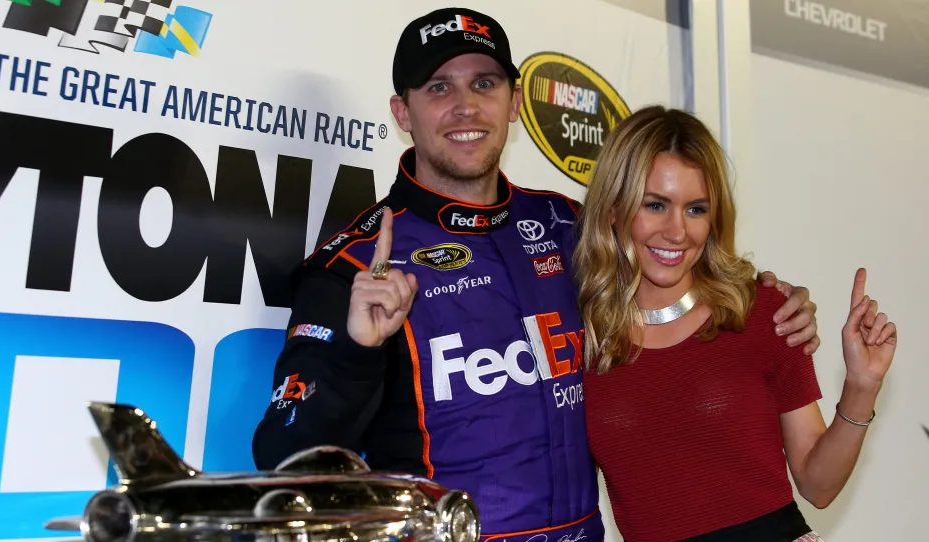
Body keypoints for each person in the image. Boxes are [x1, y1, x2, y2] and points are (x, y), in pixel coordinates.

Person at [250, 7, 821, 539]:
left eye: (484, 84)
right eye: (438, 87)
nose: (466, 107)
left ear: (515, 101)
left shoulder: (569, 227)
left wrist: (767, 299)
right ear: (403, 112)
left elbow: (678, 275)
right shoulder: (354, 267)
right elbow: (283, 455)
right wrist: (356, 351)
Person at [575, 105, 898, 542]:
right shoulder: (582, 338)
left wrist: (862, 386)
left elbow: (819, 488)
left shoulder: (762, 312)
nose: (677, 232)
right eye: (655, 205)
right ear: (614, 208)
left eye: (695, 209)